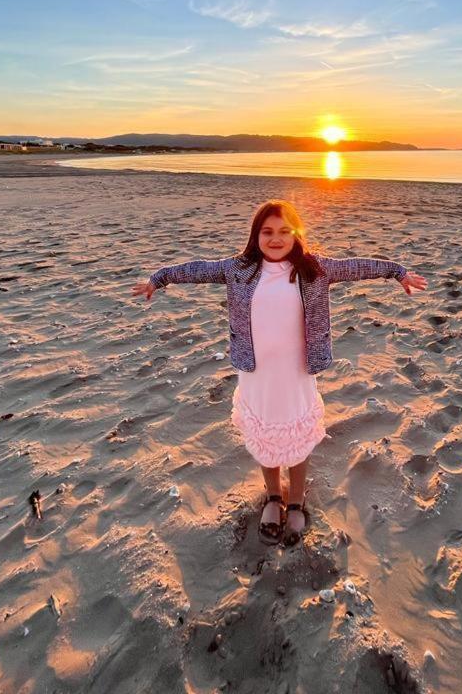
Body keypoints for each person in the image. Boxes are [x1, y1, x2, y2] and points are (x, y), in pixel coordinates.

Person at [132, 199, 427, 546]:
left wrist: (397, 272)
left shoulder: (314, 268)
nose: (275, 238)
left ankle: (297, 500)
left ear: (296, 233)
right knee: (265, 437)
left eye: (284, 231)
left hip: (296, 372)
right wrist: (159, 280)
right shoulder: (238, 269)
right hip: (257, 373)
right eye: (267, 232)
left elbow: (358, 266)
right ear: (256, 236)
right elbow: (194, 270)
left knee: (297, 440)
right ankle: (273, 497)